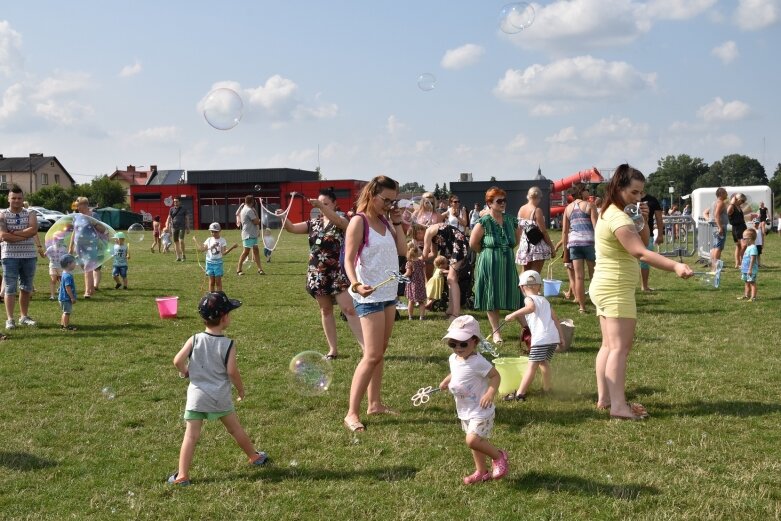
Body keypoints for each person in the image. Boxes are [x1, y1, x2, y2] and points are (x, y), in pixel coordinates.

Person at [590, 165, 692, 420]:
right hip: (614, 289)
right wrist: (675, 265)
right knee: (619, 349)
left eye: (641, 193)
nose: (639, 198)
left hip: (607, 286)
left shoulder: (614, 212)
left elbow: (642, 239)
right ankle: (619, 406)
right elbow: (641, 252)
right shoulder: (618, 218)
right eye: (634, 192)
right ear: (619, 188)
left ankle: (605, 399)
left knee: (608, 346)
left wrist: (643, 220)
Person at [168, 291, 269, 486]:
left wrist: (185, 372)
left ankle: (182, 475)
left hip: (196, 398)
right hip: (219, 398)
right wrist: (240, 389)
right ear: (224, 318)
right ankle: (255, 457)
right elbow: (232, 371)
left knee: (190, 436)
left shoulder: (194, 339)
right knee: (235, 429)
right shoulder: (228, 344)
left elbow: (177, 361)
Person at [343, 175, 407, 433]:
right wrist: (356, 284)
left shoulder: (386, 221)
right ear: (372, 194)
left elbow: (402, 251)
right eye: (386, 200)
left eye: (394, 201)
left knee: (380, 350)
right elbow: (348, 260)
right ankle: (351, 413)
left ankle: (375, 403)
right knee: (371, 355)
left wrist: (398, 221)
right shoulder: (358, 222)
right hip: (367, 295)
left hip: (388, 294)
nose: (389, 205)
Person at [278, 189, 364, 360]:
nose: (321, 206)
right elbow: (292, 228)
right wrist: (282, 216)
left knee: (349, 309)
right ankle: (333, 350)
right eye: (319, 203)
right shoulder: (314, 223)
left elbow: (340, 222)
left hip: (337, 272)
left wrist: (321, 208)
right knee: (325, 310)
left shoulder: (343, 220)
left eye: (326, 204)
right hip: (317, 272)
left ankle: (365, 348)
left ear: (334, 204)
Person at [438, 315, 508, 484]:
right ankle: (481, 472)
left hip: (481, 410)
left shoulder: (479, 362)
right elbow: (456, 371)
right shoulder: (453, 358)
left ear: (475, 341)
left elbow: (495, 376)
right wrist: (447, 380)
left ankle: (499, 457)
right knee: (475, 443)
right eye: (452, 344)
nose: (458, 347)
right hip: (465, 410)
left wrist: (490, 393)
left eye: (463, 343)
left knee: (472, 440)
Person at [470, 187, 520, 344]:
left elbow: (516, 241)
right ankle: (496, 332)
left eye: (504, 200)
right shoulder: (483, 222)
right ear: (489, 203)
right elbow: (473, 243)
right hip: (490, 262)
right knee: (492, 296)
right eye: (499, 201)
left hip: (508, 263)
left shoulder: (512, 220)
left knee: (514, 293)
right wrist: (487, 253)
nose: (503, 203)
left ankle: (527, 329)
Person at [503, 271, 564, 401]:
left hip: (541, 339)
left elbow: (530, 308)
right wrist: (561, 337)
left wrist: (513, 315)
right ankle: (547, 388)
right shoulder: (545, 301)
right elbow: (556, 320)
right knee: (544, 362)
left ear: (521, 288)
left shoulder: (528, 299)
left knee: (532, 365)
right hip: (552, 338)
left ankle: (520, 394)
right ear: (540, 287)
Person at [0, 185, 40, 332]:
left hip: (29, 255)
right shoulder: (3, 215)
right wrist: (24, 234)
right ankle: (10, 319)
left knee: (26, 287)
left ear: (23, 199)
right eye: (14, 198)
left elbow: (34, 230)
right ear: (8, 199)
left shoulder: (31, 213)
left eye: (19, 198)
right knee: (10, 288)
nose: (17, 201)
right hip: (9, 256)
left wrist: (14, 234)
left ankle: (24, 317)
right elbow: (3, 236)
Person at [422, 221, 469, 320]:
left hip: (458, 243)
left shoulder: (428, 232)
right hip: (454, 245)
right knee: (450, 279)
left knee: (451, 279)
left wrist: (413, 258)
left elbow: (425, 255)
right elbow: (433, 254)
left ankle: (456, 314)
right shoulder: (433, 234)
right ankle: (450, 309)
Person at [561, 184, 597, 312]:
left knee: (579, 277)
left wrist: (565, 250)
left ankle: (582, 307)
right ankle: (597, 304)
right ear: (582, 192)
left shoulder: (568, 208)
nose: (588, 192)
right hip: (589, 242)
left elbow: (565, 232)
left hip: (574, 244)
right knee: (594, 275)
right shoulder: (589, 206)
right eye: (587, 190)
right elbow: (596, 227)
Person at [70, 196, 107, 298]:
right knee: (84, 267)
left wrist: (93, 222)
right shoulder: (76, 216)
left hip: (91, 245)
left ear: (85, 205)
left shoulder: (93, 215)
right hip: (79, 246)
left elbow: (103, 229)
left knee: (88, 267)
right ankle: (91, 289)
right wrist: (71, 246)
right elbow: (74, 231)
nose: (77, 207)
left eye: (78, 205)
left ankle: (87, 292)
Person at [515, 186, 554, 275]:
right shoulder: (537, 210)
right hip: (536, 246)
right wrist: (551, 247)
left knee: (524, 274)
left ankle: (521, 289)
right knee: (534, 274)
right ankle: (533, 289)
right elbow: (543, 231)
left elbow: (519, 228)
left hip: (524, 245)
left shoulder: (521, 209)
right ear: (538, 197)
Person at [192, 223, 238, 292]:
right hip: (209, 263)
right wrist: (195, 240)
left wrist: (232, 247)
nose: (213, 233)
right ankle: (212, 297)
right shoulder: (209, 240)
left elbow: (223, 253)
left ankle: (219, 297)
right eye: (212, 231)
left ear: (219, 231)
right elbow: (202, 249)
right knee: (211, 281)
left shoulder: (222, 240)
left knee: (218, 281)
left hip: (218, 263)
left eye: (215, 231)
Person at [639, 192, 665, 293]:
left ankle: (644, 286)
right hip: (630, 233)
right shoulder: (627, 198)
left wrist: (660, 235)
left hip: (647, 234)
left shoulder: (652, 200)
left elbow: (659, 218)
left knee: (645, 262)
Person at [236, 195, 265, 275]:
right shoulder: (248, 210)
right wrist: (257, 215)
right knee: (246, 252)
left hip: (252, 234)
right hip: (248, 234)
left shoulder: (248, 209)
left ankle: (260, 269)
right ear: (252, 201)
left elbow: (256, 221)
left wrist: (255, 213)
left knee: (256, 250)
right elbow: (256, 221)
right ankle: (239, 269)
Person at [403, 241, 426, 320]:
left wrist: (402, 276)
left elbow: (408, 273)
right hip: (421, 283)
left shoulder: (409, 263)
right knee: (421, 301)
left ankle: (410, 316)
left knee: (411, 301)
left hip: (413, 284)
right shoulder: (421, 262)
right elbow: (423, 272)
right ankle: (422, 317)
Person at [707, 187, 728, 272]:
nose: (727, 194)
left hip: (714, 226)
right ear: (721, 194)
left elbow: (709, 213)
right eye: (725, 192)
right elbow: (716, 215)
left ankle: (713, 267)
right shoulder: (721, 203)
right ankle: (715, 268)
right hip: (719, 226)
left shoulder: (714, 202)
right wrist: (720, 227)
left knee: (715, 246)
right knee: (718, 247)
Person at [727, 193, 747, 269]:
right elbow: (728, 212)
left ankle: (737, 263)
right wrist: (732, 203)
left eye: (744, 201)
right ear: (737, 199)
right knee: (743, 245)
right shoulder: (732, 206)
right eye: (742, 201)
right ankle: (742, 263)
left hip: (742, 227)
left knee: (739, 246)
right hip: (737, 228)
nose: (743, 202)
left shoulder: (738, 207)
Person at [738, 228, 759, 301]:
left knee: (752, 282)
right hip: (745, 269)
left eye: (744, 238)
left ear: (749, 239)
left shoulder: (753, 247)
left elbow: (752, 259)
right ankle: (747, 295)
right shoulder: (748, 247)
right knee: (746, 282)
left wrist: (750, 269)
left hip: (751, 270)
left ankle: (753, 297)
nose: (743, 240)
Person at [166, 197, 189, 262]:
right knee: (176, 242)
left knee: (181, 241)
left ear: (180, 202)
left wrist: (187, 227)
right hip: (174, 227)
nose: (175, 203)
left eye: (176, 201)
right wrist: (167, 226)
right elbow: (169, 218)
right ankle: (178, 257)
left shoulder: (184, 209)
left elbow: (187, 218)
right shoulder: (171, 209)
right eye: (174, 201)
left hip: (182, 227)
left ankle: (183, 255)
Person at [58, 254, 77, 331]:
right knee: (67, 312)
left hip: (62, 298)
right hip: (66, 298)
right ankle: (66, 327)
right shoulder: (68, 276)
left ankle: (63, 325)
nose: (75, 264)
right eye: (74, 263)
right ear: (69, 264)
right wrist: (72, 297)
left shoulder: (64, 273)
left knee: (64, 312)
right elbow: (67, 287)